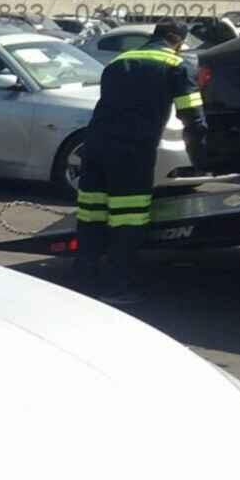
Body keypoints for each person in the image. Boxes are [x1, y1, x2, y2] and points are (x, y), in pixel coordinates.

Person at [73, 19, 208, 301]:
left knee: (91, 217)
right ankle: (116, 288)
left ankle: (82, 285)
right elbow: (193, 118)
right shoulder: (176, 66)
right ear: (177, 40)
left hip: (95, 147)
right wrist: (201, 158)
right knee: (128, 220)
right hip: (131, 152)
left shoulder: (119, 61)